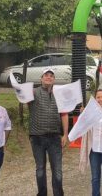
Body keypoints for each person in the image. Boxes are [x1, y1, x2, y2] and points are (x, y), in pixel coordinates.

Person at [28, 68, 68, 196]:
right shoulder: (33, 92)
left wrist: (65, 134)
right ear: (41, 78)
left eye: (51, 76)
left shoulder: (59, 93)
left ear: (54, 79)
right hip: (37, 137)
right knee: (40, 169)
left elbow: (64, 114)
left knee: (57, 171)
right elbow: (23, 99)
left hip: (55, 137)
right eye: (46, 75)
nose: (49, 77)